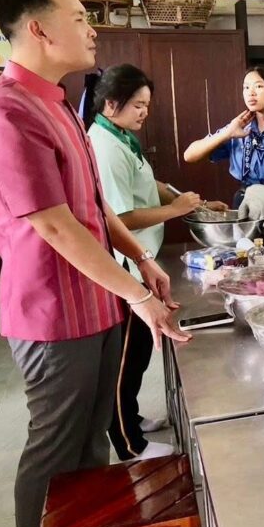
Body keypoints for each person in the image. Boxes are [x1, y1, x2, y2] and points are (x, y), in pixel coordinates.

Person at [0, 0, 189, 527]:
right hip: (50, 312)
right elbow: (53, 224)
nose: (92, 30)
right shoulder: (7, 111)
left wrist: (141, 260)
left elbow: (93, 206)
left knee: (91, 439)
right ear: (39, 29)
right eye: (79, 19)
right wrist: (139, 298)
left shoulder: (60, 102)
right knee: (55, 448)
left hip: (96, 300)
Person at [85, 64, 227, 462]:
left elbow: (150, 186)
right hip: (126, 267)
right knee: (126, 356)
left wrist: (192, 203)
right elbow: (120, 218)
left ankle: (131, 416)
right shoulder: (105, 147)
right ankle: (129, 444)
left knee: (141, 348)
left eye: (147, 105)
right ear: (110, 104)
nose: (144, 112)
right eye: (137, 105)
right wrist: (175, 210)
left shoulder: (121, 137)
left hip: (141, 261)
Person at [182, 64, 264, 218]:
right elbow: (189, 155)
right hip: (243, 200)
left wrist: (262, 198)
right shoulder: (238, 127)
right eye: (246, 87)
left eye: (258, 86)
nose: (251, 93)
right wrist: (227, 133)